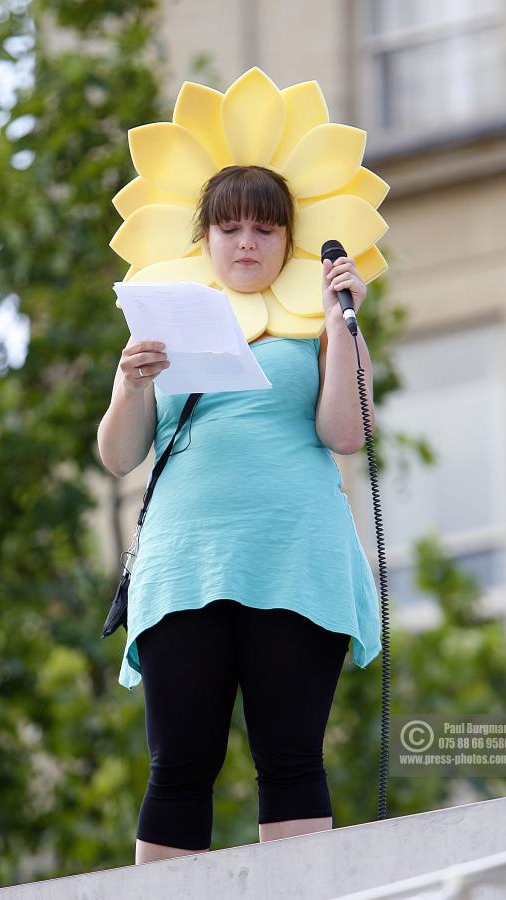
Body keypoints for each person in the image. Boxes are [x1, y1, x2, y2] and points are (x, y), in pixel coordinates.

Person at [97, 165, 382, 864]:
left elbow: (347, 432)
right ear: (206, 238)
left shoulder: (320, 323)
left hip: (295, 556)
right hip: (185, 563)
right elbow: (118, 454)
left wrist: (344, 321)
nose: (247, 243)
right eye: (230, 228)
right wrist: (132, 384)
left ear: (291, 241)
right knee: (179, 763)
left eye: (265, 228)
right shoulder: (160, 323)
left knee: (290, 758)